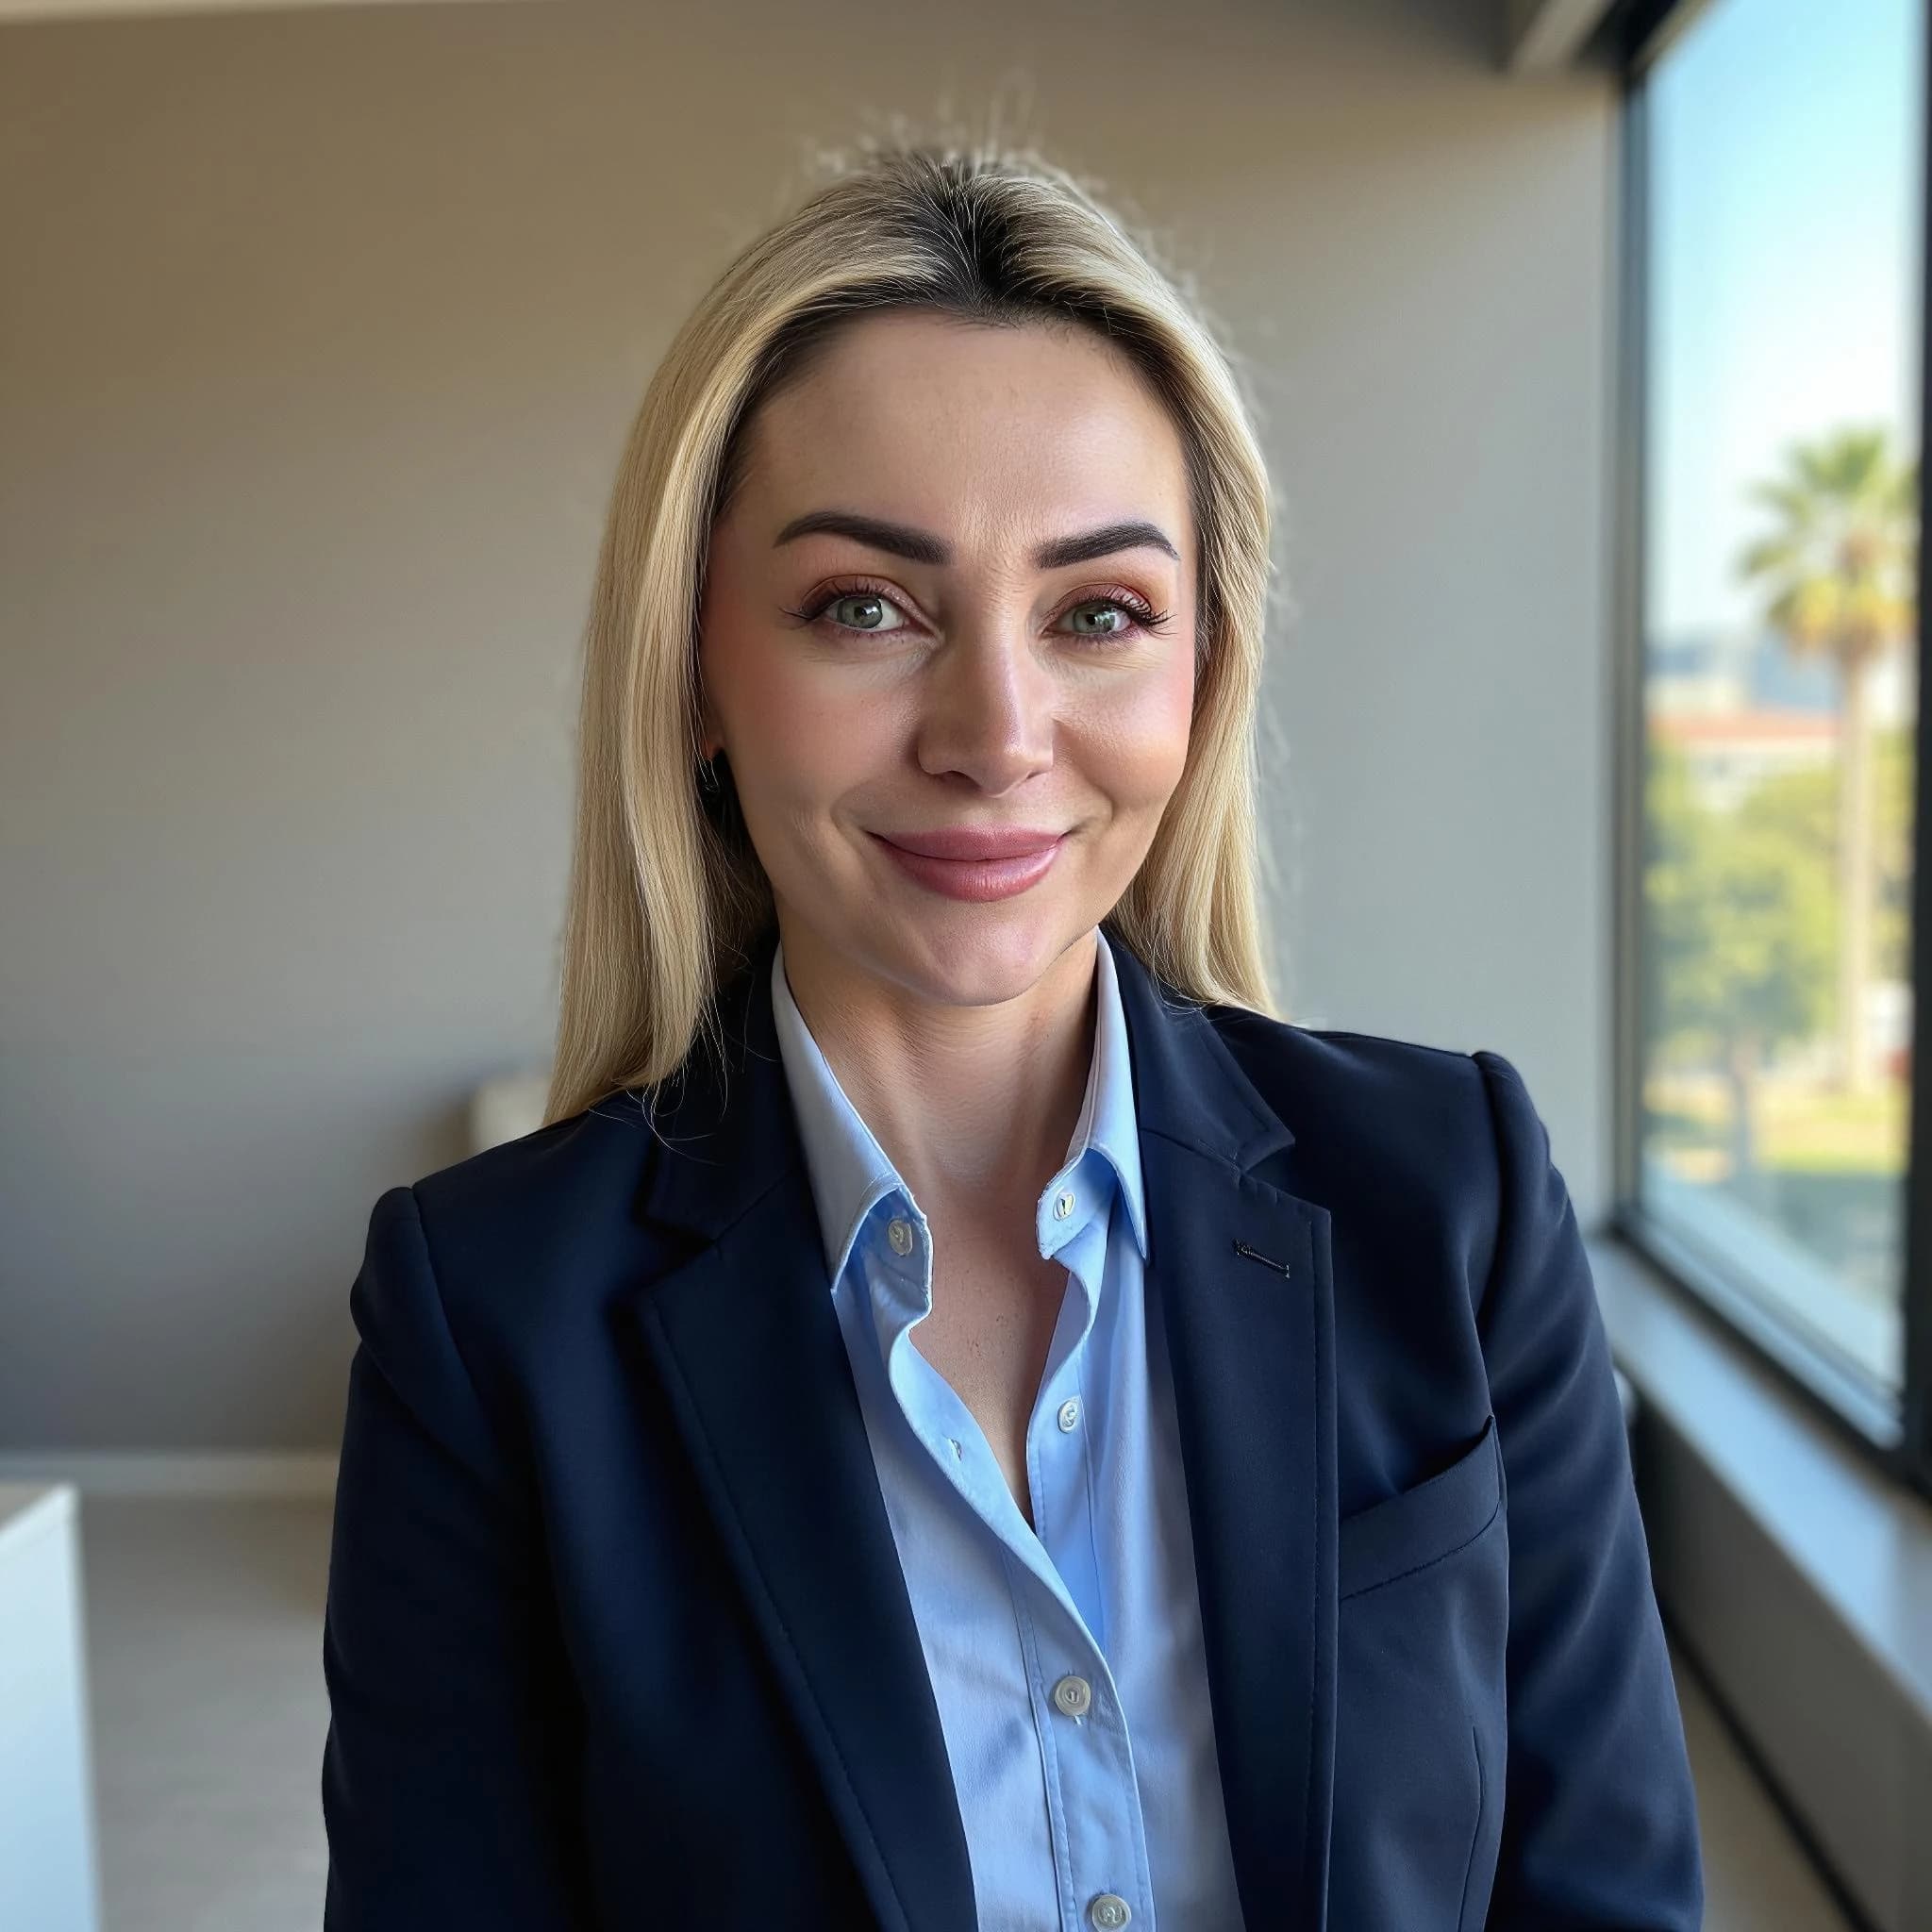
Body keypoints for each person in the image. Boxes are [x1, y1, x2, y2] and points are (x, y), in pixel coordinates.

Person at [319, 137, 1705, 1932]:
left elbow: (1604, 1894)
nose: (996, 730)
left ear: (1203, 672)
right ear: (696, 678)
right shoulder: (485, 1315)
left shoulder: (1457, 1194)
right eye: (866, 608)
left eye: (1099, 613)